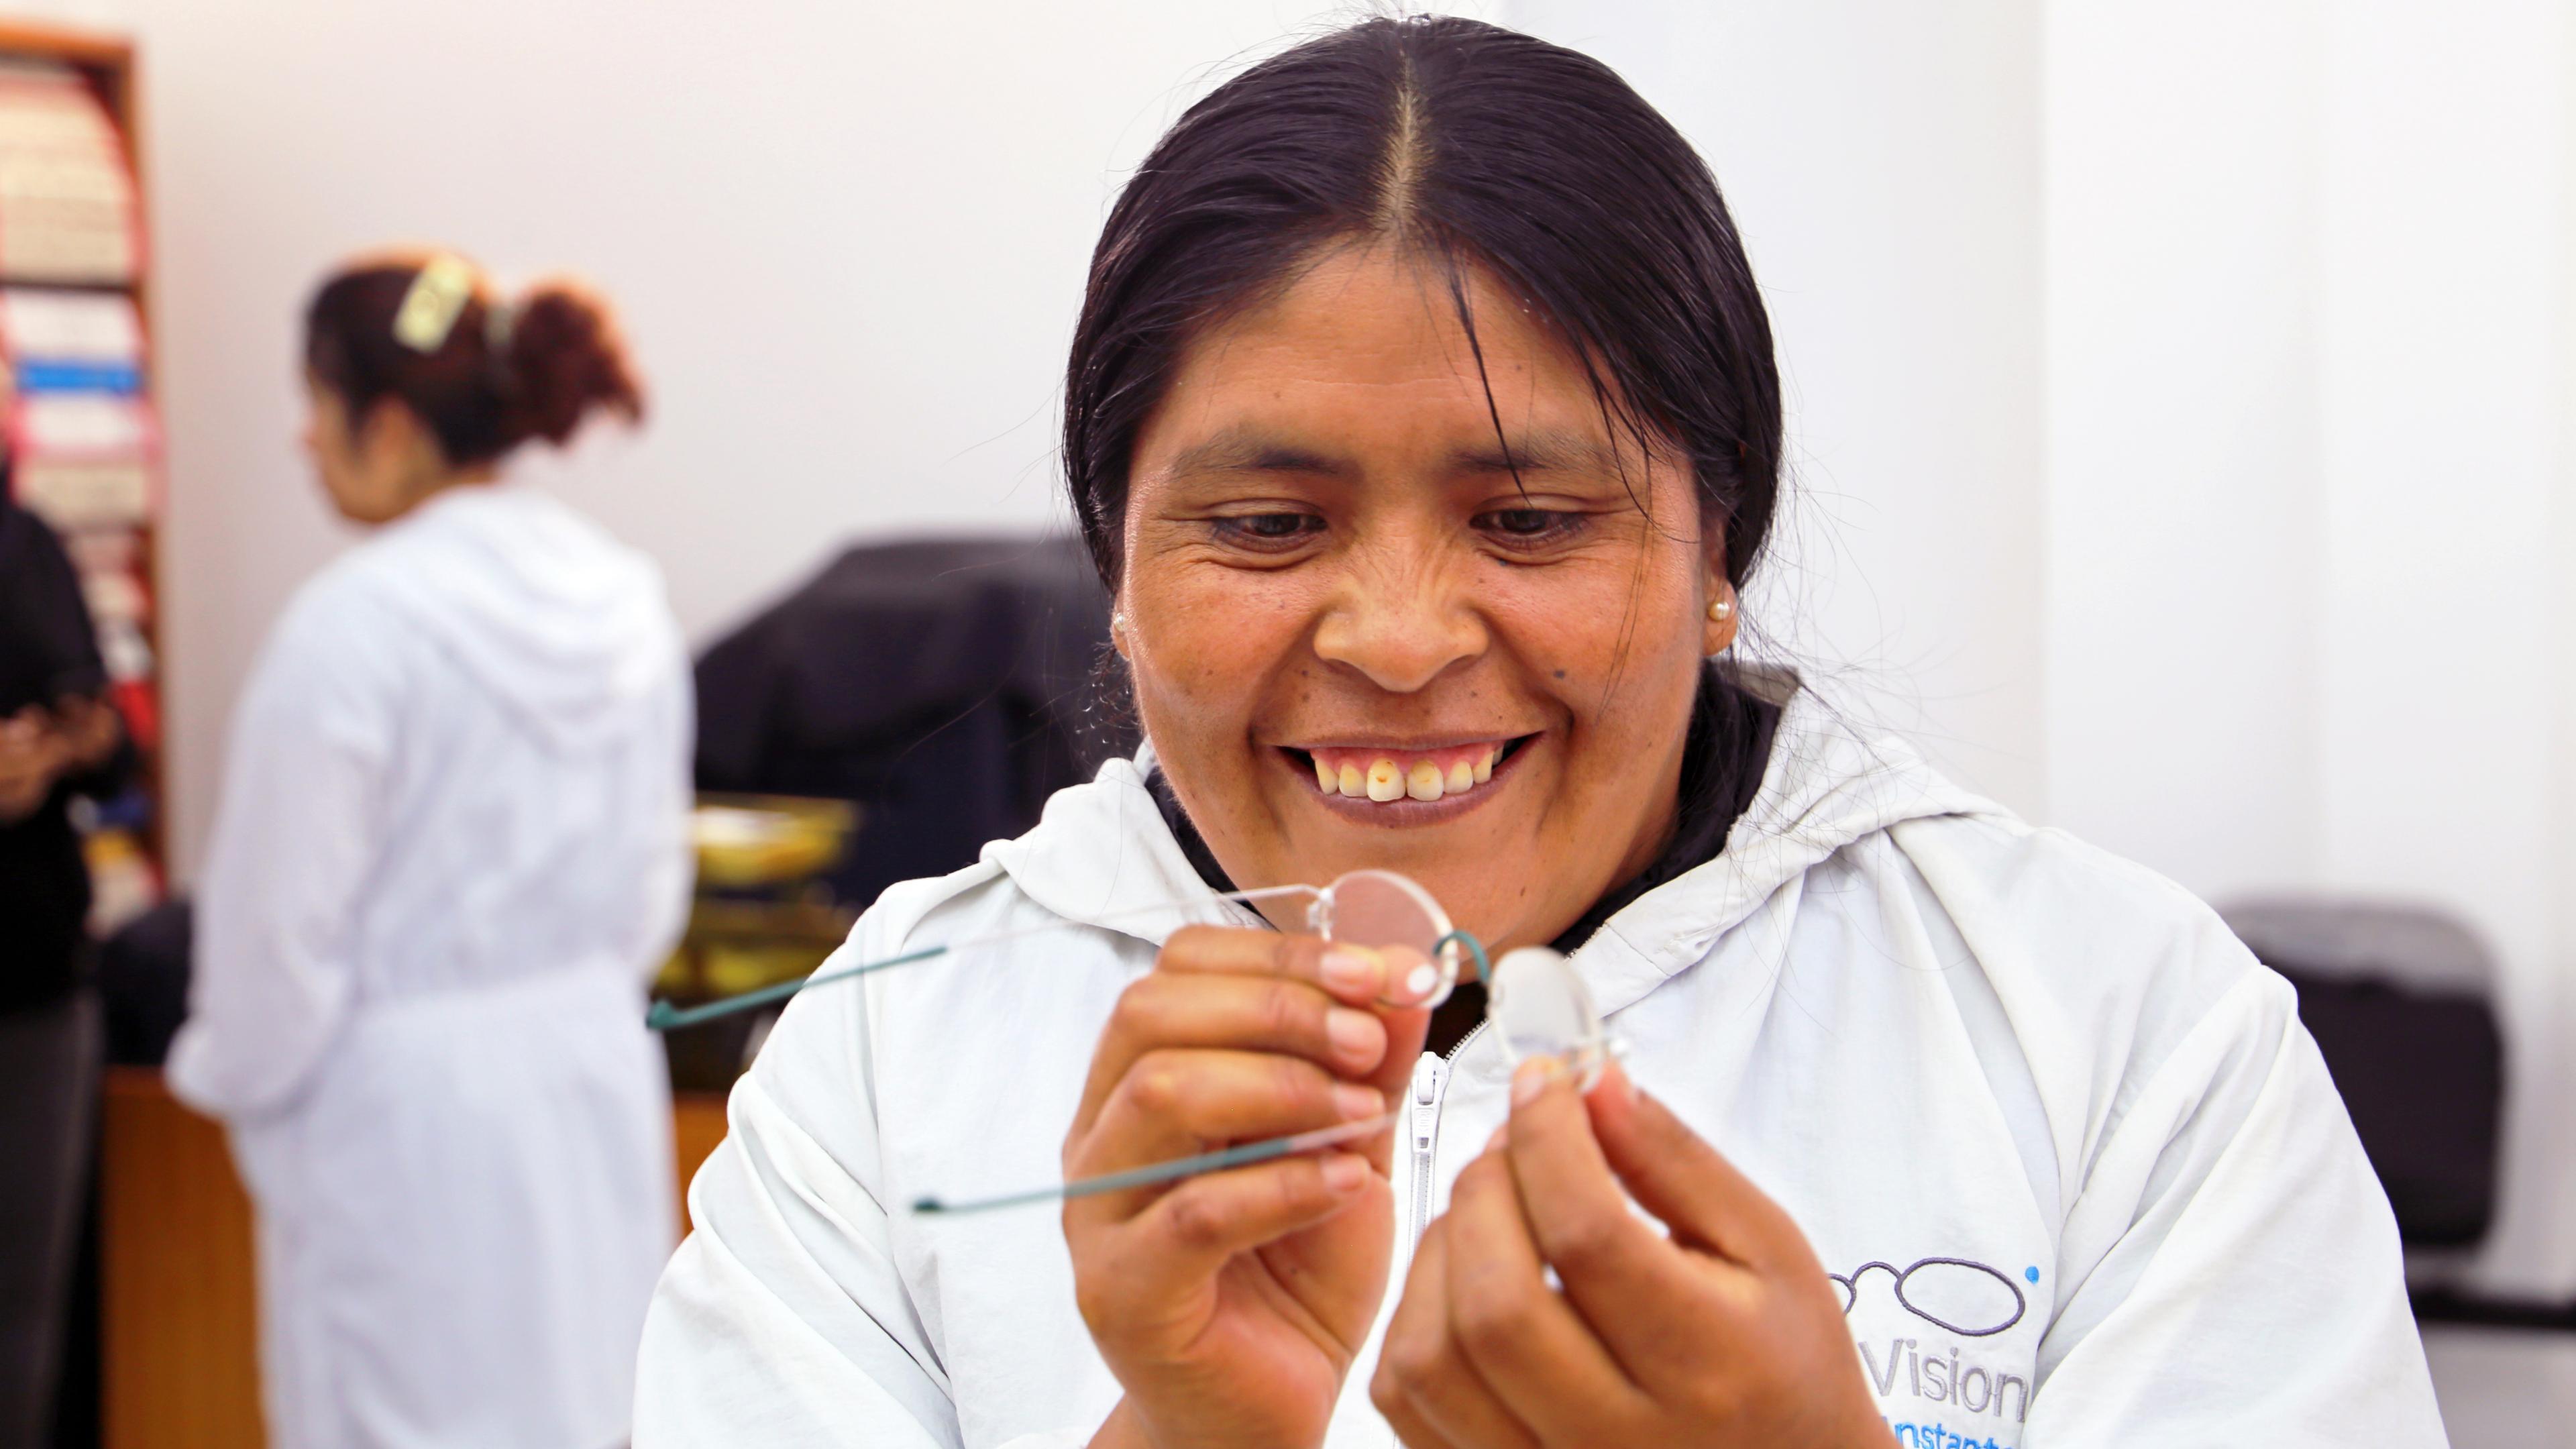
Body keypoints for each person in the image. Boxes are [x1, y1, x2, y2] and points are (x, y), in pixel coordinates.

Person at [635, 17, 2443, 1448]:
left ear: (1718, 548)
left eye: (1533, 521)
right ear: (1116, 573)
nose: (1402, 641)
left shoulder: (2117, 1037)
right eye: (1267, 527)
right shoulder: (891, 1069)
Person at [168, 253, 692, 1449]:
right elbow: (650, 893)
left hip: (397, 1120)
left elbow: (270, 946)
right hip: (585, 1078)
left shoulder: (353, 630)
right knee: (592, 1404)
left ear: (391, 426)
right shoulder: (620, 597)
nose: (304, 442)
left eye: (315, 405)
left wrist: (236, 1080)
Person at [0, 483, 128, 1449]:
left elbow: (109, 741)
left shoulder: (27, 541)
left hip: (33, 982)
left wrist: (51, 746)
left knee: (25, 1313)